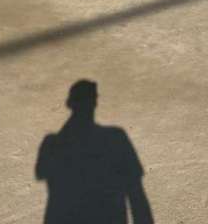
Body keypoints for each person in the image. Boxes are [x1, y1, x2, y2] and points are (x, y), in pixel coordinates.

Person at [35, 80, 154, 224]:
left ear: (69, 103)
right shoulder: (115, 138)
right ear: (95, 103)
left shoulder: (52, 144)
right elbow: (135, 191)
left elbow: (41, 173)